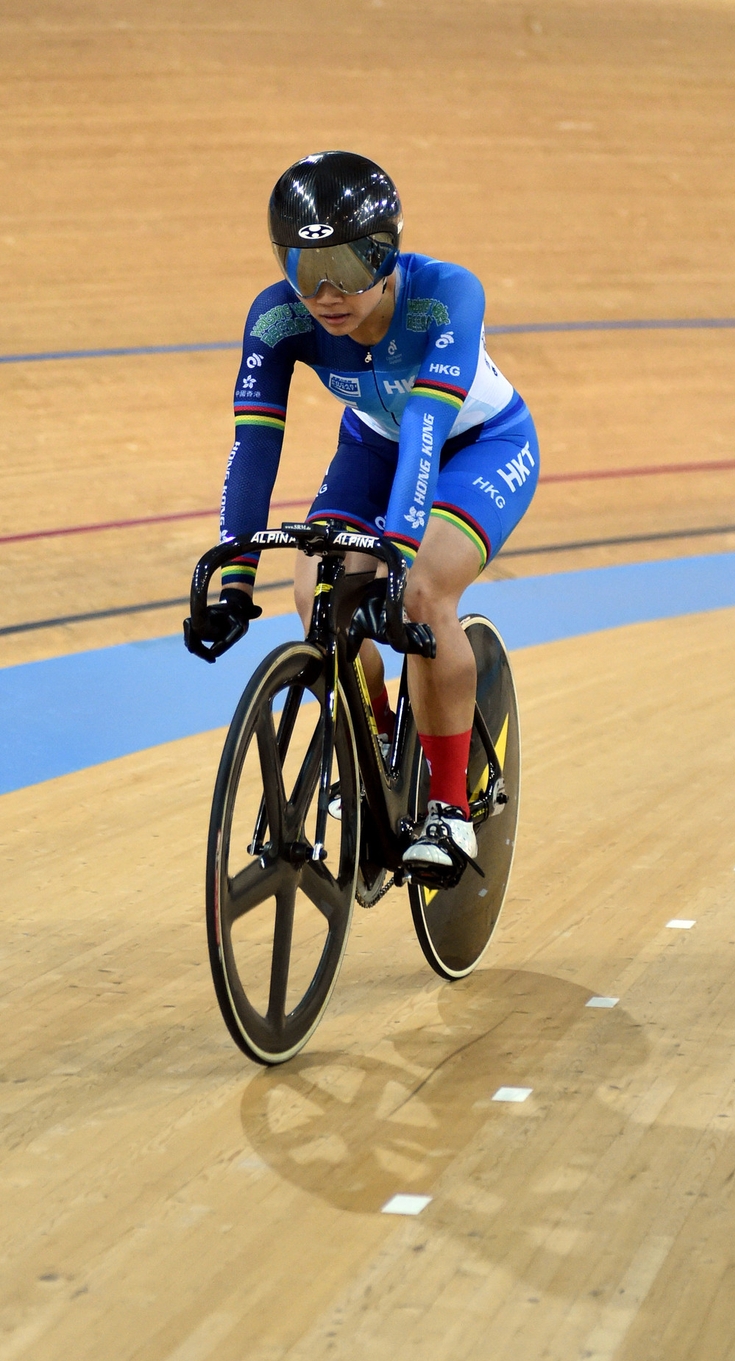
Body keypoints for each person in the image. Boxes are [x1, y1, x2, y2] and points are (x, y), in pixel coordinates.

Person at [213, 150, 539, 874]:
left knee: (420, 594)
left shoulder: (446, 294)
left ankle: (448, 810)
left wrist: (398, 551)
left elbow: (426, 426)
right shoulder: (277, 317)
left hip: (477, 445)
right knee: (316, 593)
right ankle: (379, 743)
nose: (327, 293)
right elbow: (254, 444)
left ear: (387, 253)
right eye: (306, 268)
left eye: (349, 266)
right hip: (375, 447)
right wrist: (234, 578)